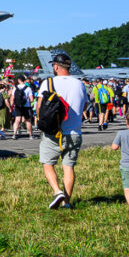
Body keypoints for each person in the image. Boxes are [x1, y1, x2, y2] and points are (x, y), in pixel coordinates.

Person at [35, 52, 88, 210]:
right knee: (68, 166)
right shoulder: (80, 84)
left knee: (47, 163)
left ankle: (57, 191)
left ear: (56, 66)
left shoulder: (48, 83)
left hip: (54, 132)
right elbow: (84, 106)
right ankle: (67, 202)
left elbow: (39, 107)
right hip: (74, 132)